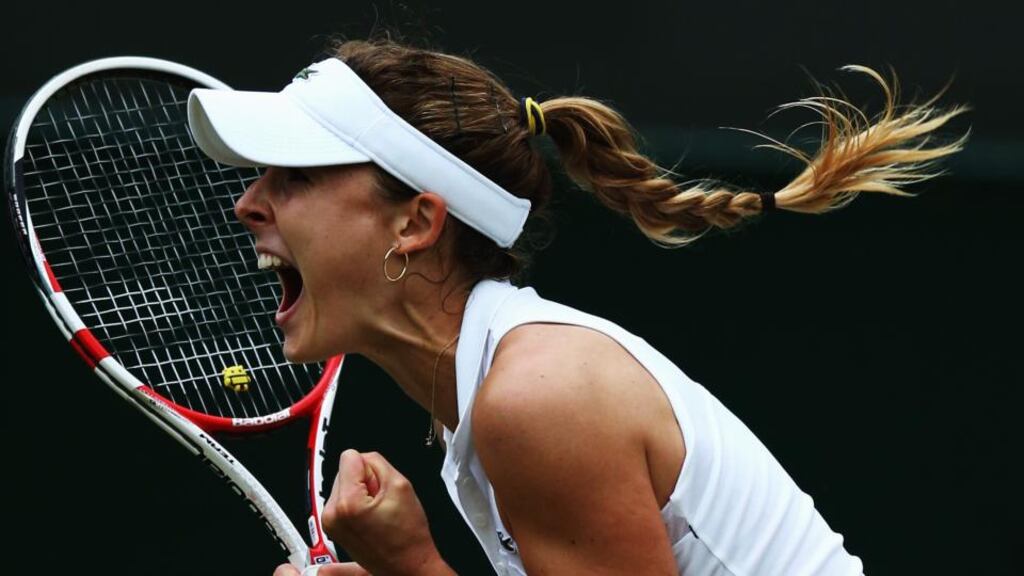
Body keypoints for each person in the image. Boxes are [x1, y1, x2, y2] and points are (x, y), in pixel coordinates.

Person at [187, 37, 966, 576]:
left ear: (416, 223)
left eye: (295, 177)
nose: (248, 204)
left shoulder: (538, 399)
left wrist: (417, 566)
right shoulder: (498, 389)